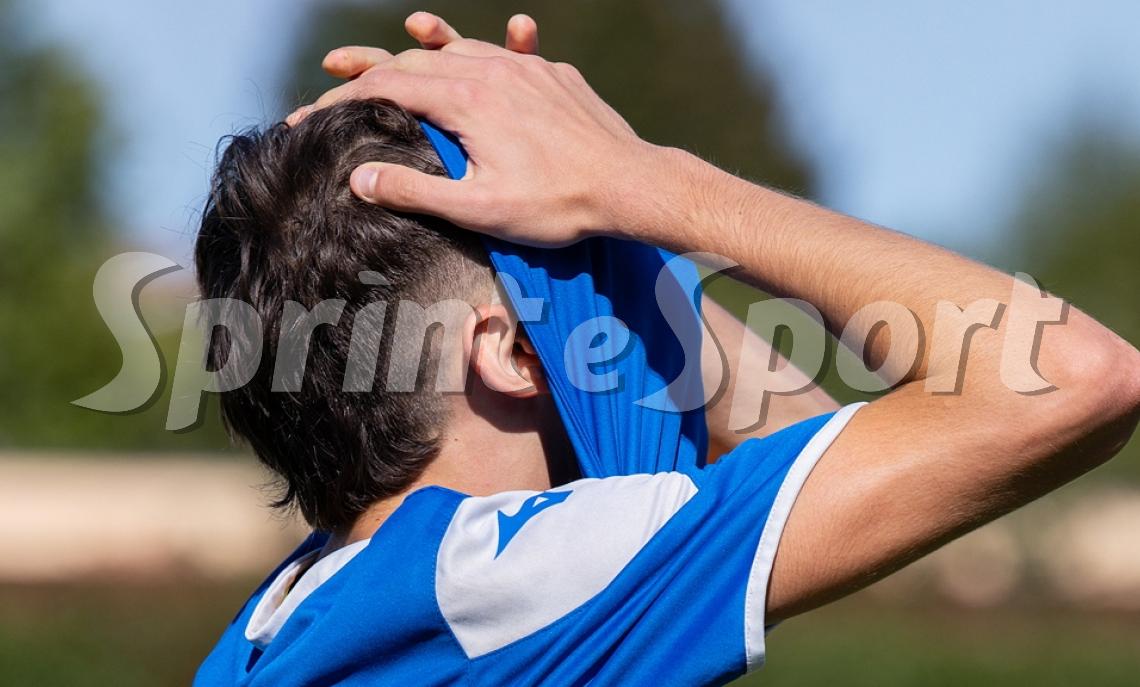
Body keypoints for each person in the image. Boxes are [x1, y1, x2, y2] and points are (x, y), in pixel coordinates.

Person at [194, 13, 1140, 687]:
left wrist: (600, 223)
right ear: (511, 352)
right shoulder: (507, 577)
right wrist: (639, 180)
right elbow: (1069, 380)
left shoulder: (278, 628)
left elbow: (814, 440)